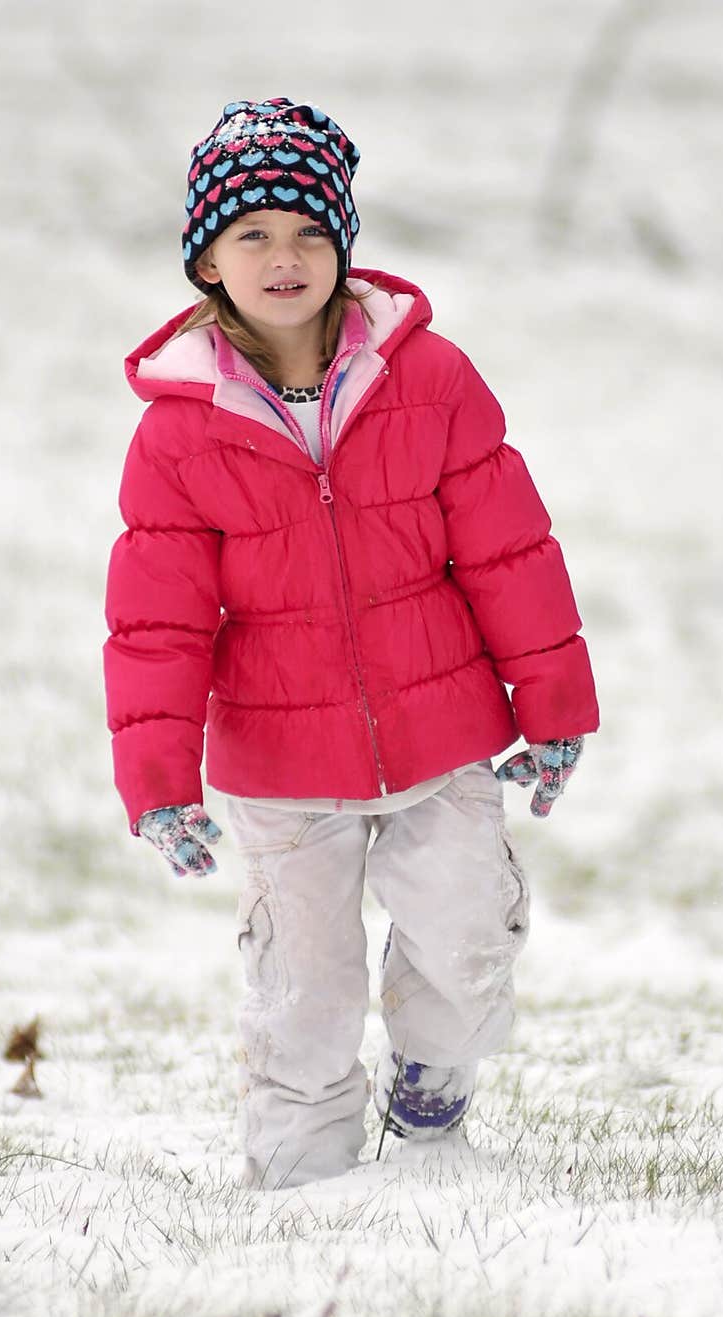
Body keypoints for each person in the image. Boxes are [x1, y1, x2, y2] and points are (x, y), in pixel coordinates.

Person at [103, 97, 600, 1190]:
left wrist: (553, 708)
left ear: (343, 245)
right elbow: (157, 621)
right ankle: (300, 1186)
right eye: (252, 235)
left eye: (309, 233)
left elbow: (509, 550)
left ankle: (432, 1091)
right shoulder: (181, 428)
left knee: (468, 939)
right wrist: (156, 782)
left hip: (440, 733)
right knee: (304, 991)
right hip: (280, 771)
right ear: (206, 263)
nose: (284, 258)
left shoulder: (428, 379)